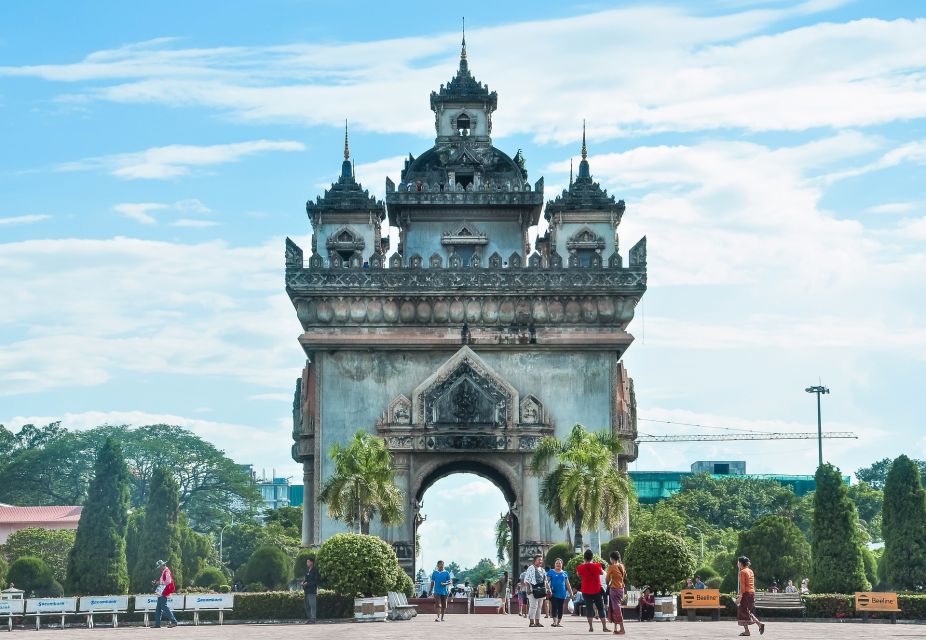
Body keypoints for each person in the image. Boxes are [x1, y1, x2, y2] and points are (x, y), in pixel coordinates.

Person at [576, 549, 610, 632]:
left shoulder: (581, 567)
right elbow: (602, 573)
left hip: (585, 590)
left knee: (589, 608)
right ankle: (604, 627)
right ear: (592, 557)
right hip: (596, 590)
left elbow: (578, 574)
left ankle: (591, 627)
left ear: (584, 558)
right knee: (601, 608)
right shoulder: (597, 565)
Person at [735, 556, 765, 636]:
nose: (737, 563)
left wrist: (740, 596)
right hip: (751, 593)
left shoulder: (742, 572)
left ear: (741, 563)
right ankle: (758, 625)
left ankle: (748, 631)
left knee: (742, 612)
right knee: (748, 612)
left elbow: (742, 586)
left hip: (746, 594)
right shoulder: (750, 571)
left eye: (738, 562)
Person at [545, 558, 574, 627]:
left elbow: (567, 584)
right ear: (554, 564)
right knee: (554, 607)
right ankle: (554, 622)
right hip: (553, 593)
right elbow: (546, 581)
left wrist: (571, 593)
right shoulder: (551, 572)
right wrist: (548, 589)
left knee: (560, 608)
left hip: (562, 594)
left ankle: (558, 622)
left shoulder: (564, 573)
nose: (558, 564)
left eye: (559, 563)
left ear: (562, 564)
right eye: (556, 563)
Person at [606, 551, 627, 635]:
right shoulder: (622, 566)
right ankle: (615, 628)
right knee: (614, 607)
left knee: (616, 608)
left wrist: (608, 584)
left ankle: (622, 628)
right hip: (621, 589)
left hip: (614, 589)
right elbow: (625, 576)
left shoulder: (611, 567)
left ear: (612, 558)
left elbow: (607, 579)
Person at [152, 559, 178, 628]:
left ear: (163, 565)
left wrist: (158, 582)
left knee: (164, 607)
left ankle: (174, 622)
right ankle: (157, 624)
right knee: (159, 608)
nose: (159, 569)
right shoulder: (164, 571)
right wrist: (157, 582)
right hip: (162, 592)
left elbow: (168, 582)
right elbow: (163, 581)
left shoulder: (166, 572)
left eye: (160, 567)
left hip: (164, 591)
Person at [525, 554, 547, 627]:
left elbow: (545, 581)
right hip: (532, 590)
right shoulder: (530, 568)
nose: (540, 561)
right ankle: (531, 622)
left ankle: (537, 622)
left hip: (541, 590)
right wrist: (528, 589)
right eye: (539, 559)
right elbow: (527, 579)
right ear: (535, 560)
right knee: (533, 606)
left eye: (541, 559)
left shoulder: (542, 569)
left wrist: (549, 589)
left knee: (539, 606)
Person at [301, 556, 320, 624]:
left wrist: (307, 583)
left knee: (312, 605)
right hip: (306, 591)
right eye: (307, 562)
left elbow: (316, 581)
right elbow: (305, 580)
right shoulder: (307, 572)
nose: (307, 563)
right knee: (307, 606)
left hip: (312, 591)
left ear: (312, 562)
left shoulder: (315, 571)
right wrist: (303, 583)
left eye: (308, 562)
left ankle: (313, 619)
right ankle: (309, 618)